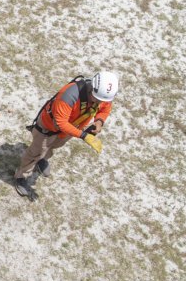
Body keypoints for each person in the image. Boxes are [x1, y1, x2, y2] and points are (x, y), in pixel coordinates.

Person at [13, 71, 118, 199]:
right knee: (35, 151)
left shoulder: (101, 95)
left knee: (53, 146)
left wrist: (99, 121)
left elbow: (105, 108)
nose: (99, 102)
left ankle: (41, 159)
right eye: (98, 99)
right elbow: (61, 122)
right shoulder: (69, 95)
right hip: (48, 128)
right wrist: (83, 135)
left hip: (70, 130)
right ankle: (20, 176)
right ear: (91, 89)